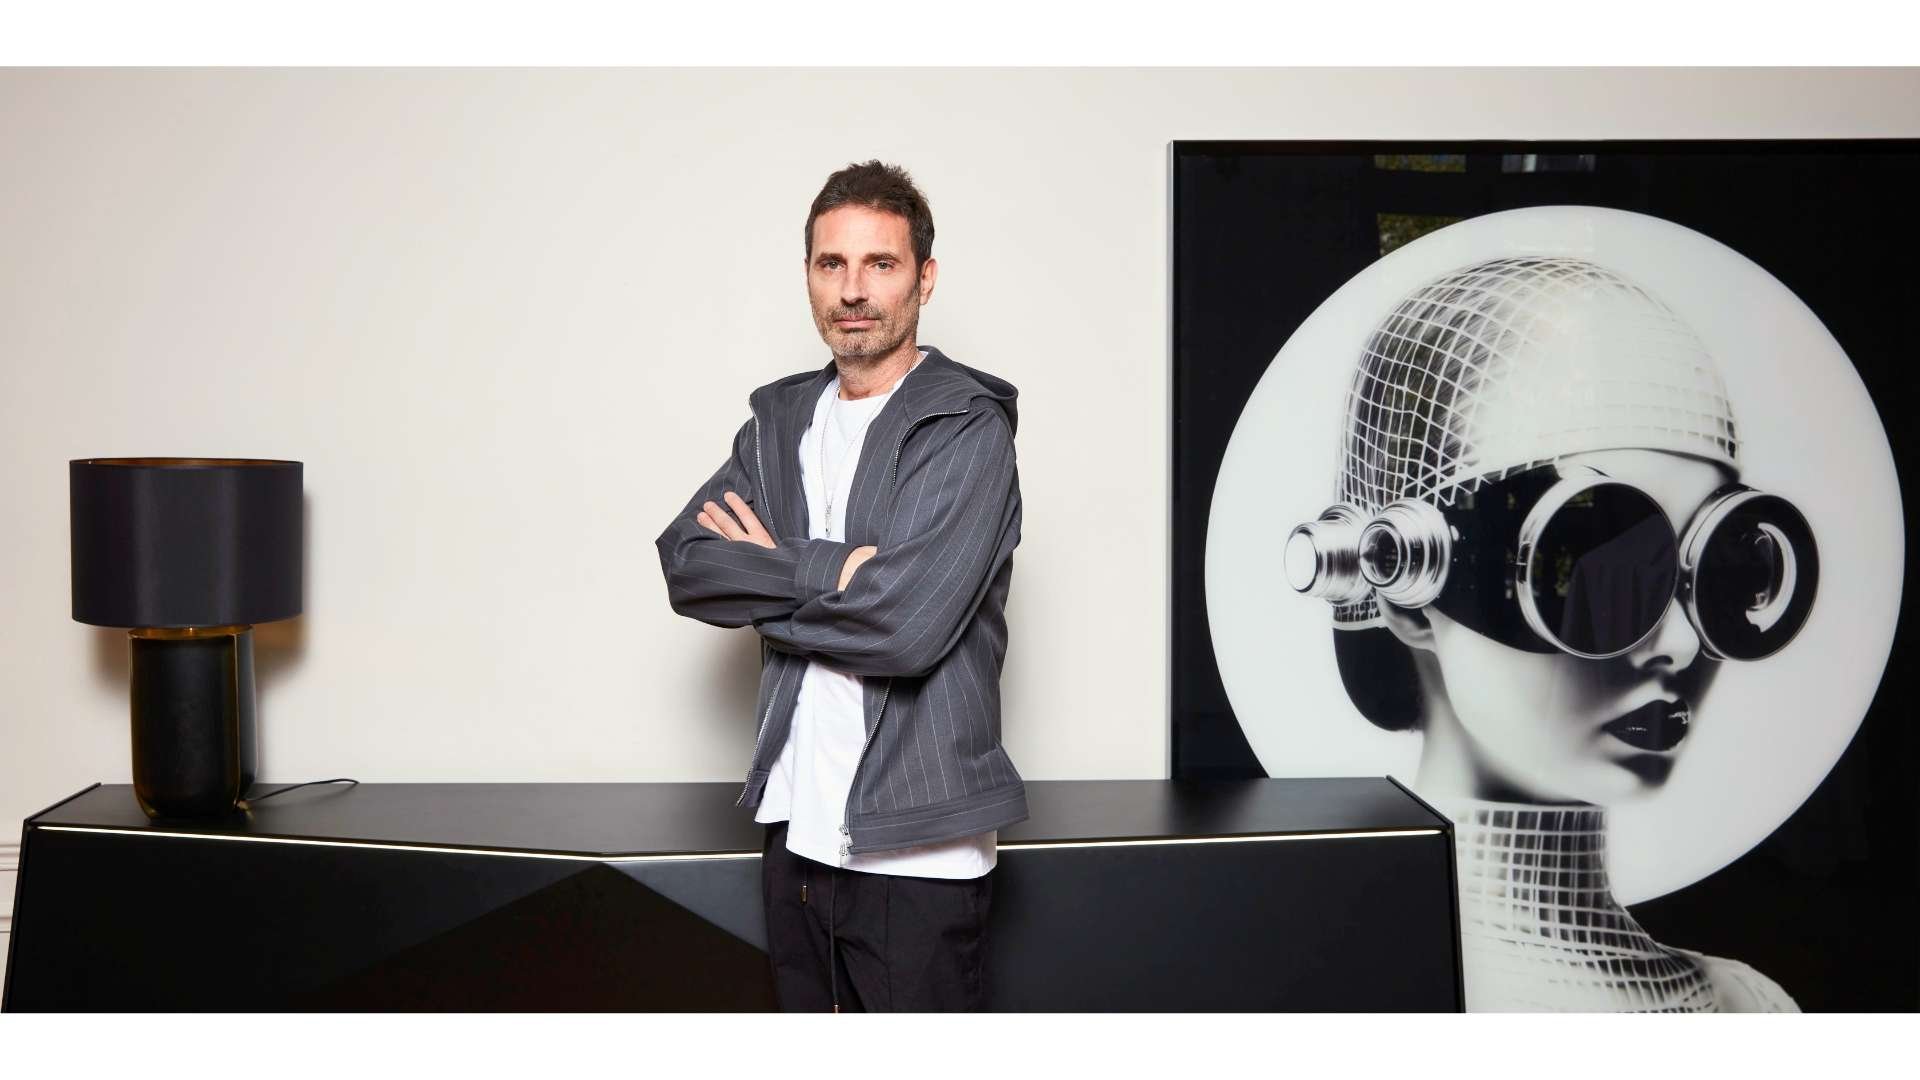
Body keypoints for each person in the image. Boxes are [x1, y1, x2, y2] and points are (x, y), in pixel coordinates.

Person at [1284, 255, 1813, 1011]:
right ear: (1407, 589)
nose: (1680, 645)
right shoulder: (1336, 993)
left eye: (1728, 568)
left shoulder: (1748, 1008)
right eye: (1583, 560)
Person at [654, 160, 1026, 1012]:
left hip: (919, 855)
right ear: (809, 277)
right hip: (796, 836)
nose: (853, 289)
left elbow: (906, 628)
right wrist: (836, 569)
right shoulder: (780, 421)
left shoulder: (965, 428)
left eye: (880, 263)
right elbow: (688, 564)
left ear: (924, 279)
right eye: (833, 264)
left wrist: (769, 576)